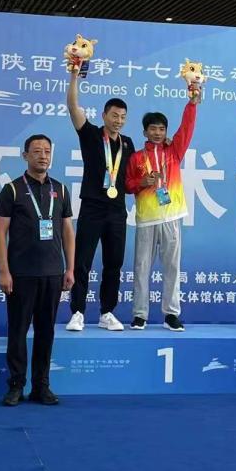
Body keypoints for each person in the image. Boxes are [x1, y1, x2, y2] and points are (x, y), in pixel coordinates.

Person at [0, 135, 75, 406]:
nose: (43, 156)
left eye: (47, 151)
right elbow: (0, 232)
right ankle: (16, 385)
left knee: (46, 332)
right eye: (37, 151)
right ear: (25, 155)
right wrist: (4, 271)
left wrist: (70, 268)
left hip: (53, 273)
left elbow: (67, 231)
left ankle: (41, 386)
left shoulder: (60, 189)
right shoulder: (12, 190)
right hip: (21, 274)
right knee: (18, 331)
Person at [64, 69, 135, 332]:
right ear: (104, 115)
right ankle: (78, 312)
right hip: (92, 208)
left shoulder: (128, 143)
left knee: (114, 263)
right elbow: (73, 107)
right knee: (82, 261)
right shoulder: (91, 134)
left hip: (117, 211)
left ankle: (107, 312)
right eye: (114, 115)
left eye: (123, 117)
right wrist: (74, 76)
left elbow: (131, 176)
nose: (118, 121)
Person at [124, 98, 199, 331]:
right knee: (141, 268)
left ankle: (171, 314)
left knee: (172, 268)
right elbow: (127, 185)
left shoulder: (174, 151)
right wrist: (141, 182)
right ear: (145, 132)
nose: (157, 133)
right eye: (153, 129)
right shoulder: (136, 157)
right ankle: (140, 315)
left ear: (166, 131)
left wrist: (192, 104)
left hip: (171, 217)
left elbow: (186, 128)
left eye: (161, 129)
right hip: (146, 219)